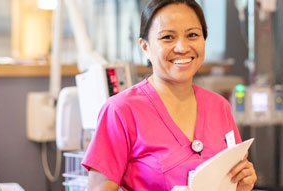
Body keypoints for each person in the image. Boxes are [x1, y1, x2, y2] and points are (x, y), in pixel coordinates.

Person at [81, 0, 257, 190]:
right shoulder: (120, 111)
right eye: (167, 37)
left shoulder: (220, 107)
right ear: (145, 47)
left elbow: (233, 176)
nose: (182, 47)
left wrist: (242, 183)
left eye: (192, 35)